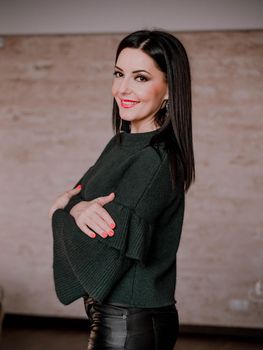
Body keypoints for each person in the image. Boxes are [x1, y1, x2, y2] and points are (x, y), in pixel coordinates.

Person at [49, 30, 195, 350]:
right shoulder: (119, 145)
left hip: (131, 323)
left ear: (169, 88)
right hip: (117, 318)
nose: (122, 88)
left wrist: (60, 213)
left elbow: (101, 250)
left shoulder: (154, 159)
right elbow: (76, 197)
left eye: (140, 77)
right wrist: (75, 209)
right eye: (118, 73)